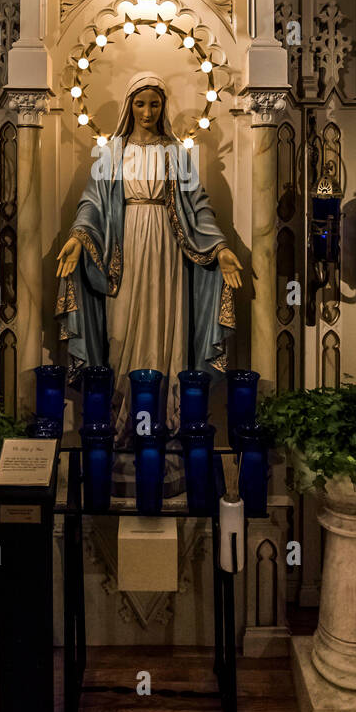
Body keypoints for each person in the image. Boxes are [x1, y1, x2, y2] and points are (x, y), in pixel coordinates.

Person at [56, 72, 242, 441]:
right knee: (121, 329)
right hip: (123, 250)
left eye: (154, 104)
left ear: (163, 106)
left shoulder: (177, 153)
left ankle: (164, 422)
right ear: (129, 106)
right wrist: (78, 237)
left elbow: (198, 206)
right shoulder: (110, 152)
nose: (147, 111)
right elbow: (92, 202)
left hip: (168, 250)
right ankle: (122, 420)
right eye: (140, 104)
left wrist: (220, 248)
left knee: (166, 327)